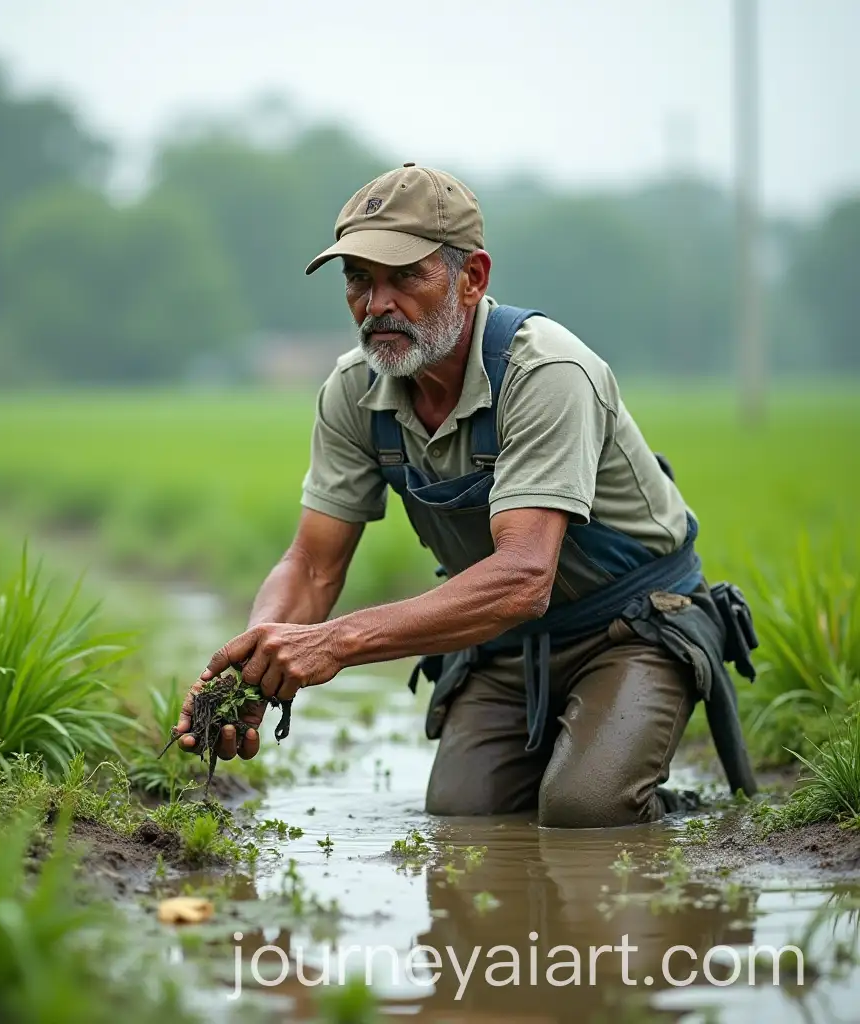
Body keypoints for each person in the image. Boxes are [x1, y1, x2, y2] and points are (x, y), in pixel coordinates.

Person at [174, 164, 757, 827]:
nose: (377, 304)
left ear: (472, 277)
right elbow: (312, 565)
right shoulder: (351, 392)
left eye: (405, 277)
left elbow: (522, 578)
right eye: (359, 279)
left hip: (632, 626)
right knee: (462, 818)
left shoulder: (545, 372)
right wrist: (252, 667)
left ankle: (684, 817)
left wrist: (334, 644)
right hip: (501, 643)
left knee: (583, 810)